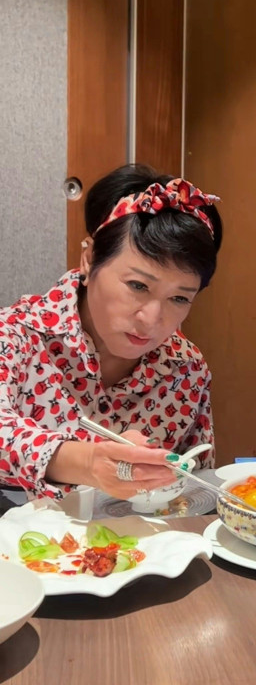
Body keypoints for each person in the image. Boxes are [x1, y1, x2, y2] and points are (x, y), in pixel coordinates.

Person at [0, 165, 223, 501]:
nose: (152, 319)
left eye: (179, 298)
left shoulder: (185, 369)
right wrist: (88, 463)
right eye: (138, 285)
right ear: (89, 259)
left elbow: (194, 487)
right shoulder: (15, 333)